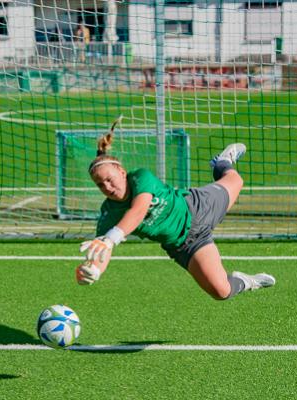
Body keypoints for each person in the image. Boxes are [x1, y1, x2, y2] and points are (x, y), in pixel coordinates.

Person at [76, 118, 276, 300]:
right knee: (221, 292)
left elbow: (138, 211)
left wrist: (111, 238)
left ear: (121, 171)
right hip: (184, 244)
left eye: (109, 180)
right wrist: (93, 270)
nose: (107, 187)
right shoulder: (108, 213)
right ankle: (247, 281)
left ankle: (222, 163)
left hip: (198, 208)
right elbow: (102, 250)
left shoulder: (140, 177)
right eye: (100, 185)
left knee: (236, 180)